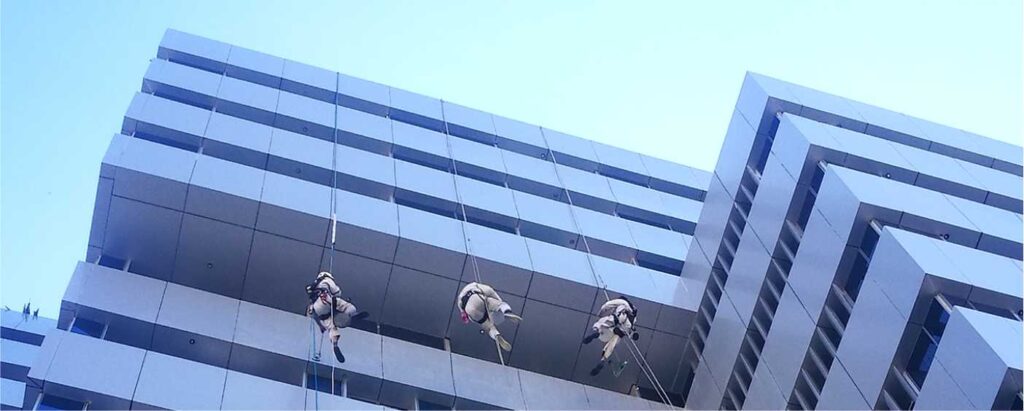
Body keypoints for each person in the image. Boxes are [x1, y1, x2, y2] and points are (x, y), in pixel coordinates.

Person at [306, 271, 367, 363]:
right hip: (326, 300)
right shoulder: (326, 280)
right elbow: (337, 292)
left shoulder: (312, 290)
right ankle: (352, 315)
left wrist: (321, 326)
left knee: (331, 329)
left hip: (318, 310)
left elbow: (313, 315)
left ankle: (335, 344)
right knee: (347, 306)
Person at [456, 282, 522, 352]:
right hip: (475, 297)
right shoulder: (475, 285)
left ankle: (496, 335)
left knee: (488, 327)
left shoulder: (459, 301)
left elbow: (464, 316)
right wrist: (499, 302)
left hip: (469, 310)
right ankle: (506, 312)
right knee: (497, 304)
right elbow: (490, 291)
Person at [582, 297, 639, 376]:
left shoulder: (623, 302)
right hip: (625, 326)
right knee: (614, 341)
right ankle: (603, 359)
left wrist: (600, 313)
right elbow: (631, 328)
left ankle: (596, 330)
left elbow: (607, 305)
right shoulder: (634, 315)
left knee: (602, 323)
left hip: (620, 315)